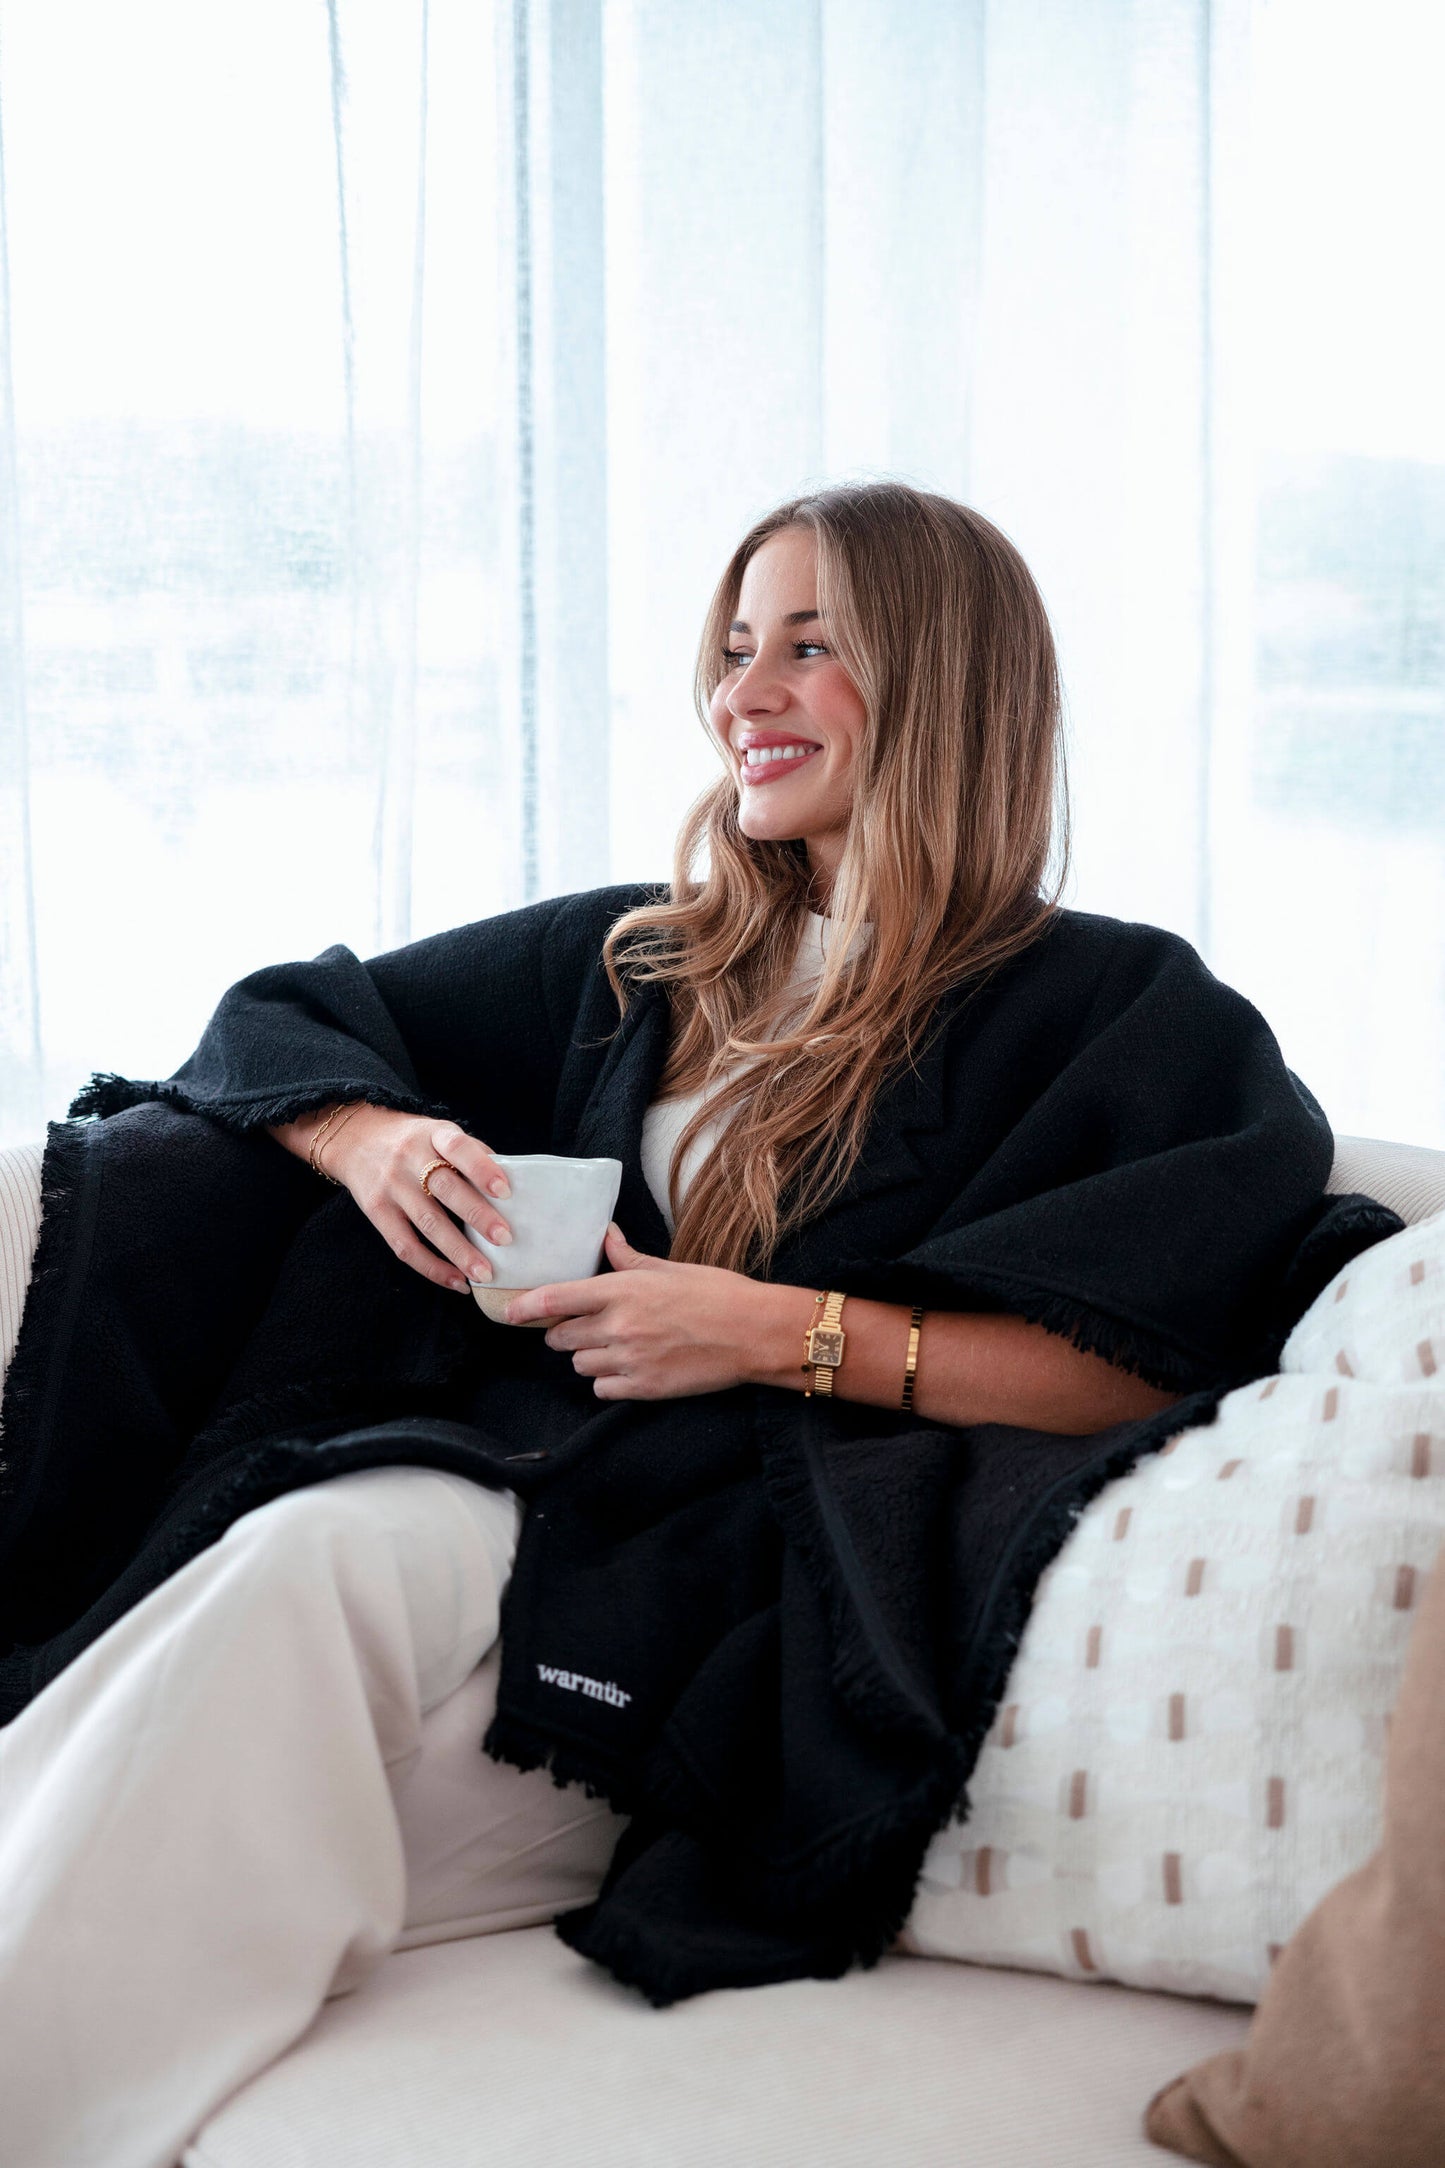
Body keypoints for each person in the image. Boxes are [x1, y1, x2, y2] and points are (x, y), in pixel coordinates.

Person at [0, 483, 1396, 2168]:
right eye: (736, 648)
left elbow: (1140, 1354)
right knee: (222, 1684)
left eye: (809, 647)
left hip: (754, 1560)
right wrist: (375, 1138)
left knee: (314, 1568)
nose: (742, 693)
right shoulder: (651, 958)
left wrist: (770, 1332)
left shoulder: (1115, 1008)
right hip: (534, 1486)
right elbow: (283, 1018)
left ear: (946, 682)